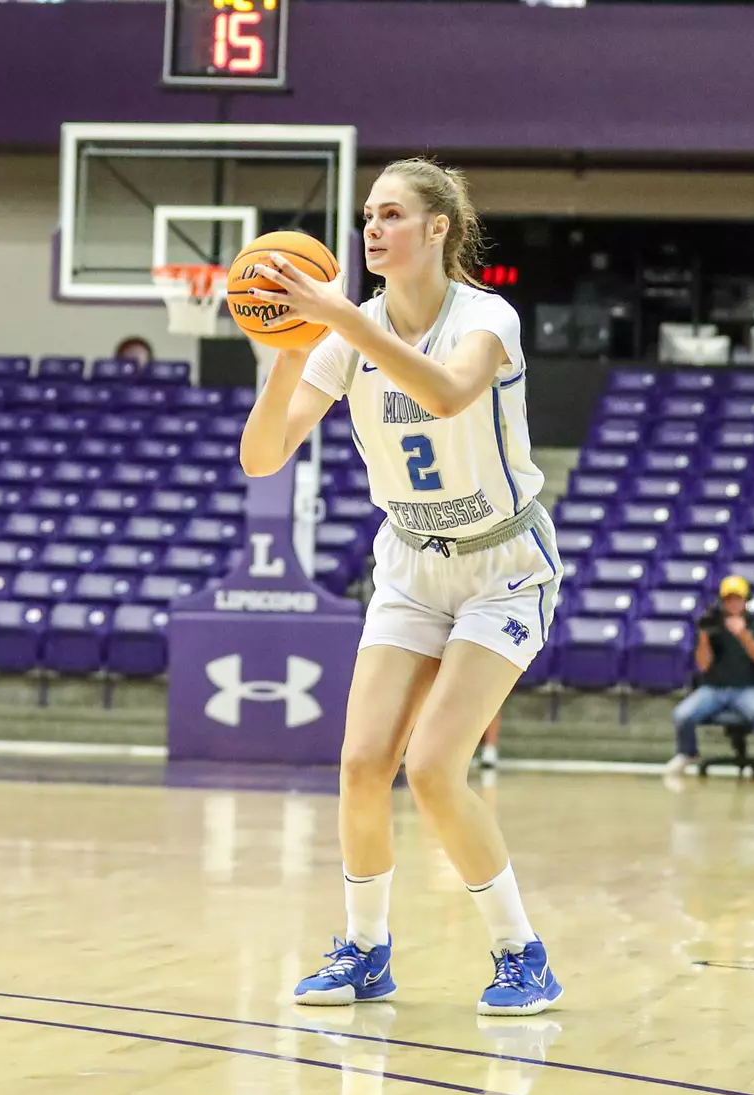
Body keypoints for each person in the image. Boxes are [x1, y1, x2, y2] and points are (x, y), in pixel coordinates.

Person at [240, 158, 563, 1016]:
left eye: (391, 214)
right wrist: (288, 351)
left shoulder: (486, 317)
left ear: (437, 229)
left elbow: (453, 394)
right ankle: (366, 950)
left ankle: (519, 950)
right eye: (368, 216)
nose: (372, 229)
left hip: (504, 564)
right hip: (413, 565)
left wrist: (340, 317)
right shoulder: (346, 335)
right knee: (359, 765)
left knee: (432, 768)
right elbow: (262, 457)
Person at [665, 575, 754, 780]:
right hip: (713, 688)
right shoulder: (712, 625)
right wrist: (703, 637)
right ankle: (687, 753)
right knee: (682, 715)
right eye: (728, 599)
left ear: (745, 600)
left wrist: (743, 635)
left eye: (737, 598)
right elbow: (703, 665)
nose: (733, 603)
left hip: (747, 688)